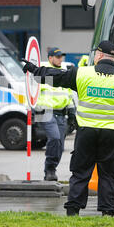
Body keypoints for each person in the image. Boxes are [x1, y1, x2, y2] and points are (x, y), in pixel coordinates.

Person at [22, 40, 114, 217]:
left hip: (86, 133)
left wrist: (35, 70)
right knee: (109, 174)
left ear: (99, 55)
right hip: (110, 135)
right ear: (113, 58)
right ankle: (107, 211)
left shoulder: (82, 74)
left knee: (80, 171)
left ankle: (73, 209)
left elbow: (55, 77)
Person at [35, 47, 76, 181]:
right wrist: (35, 109)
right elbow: (31, 93)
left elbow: (68, 94)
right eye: (57, 57)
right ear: (50, 57)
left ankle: (52, 169)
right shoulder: (43, 71)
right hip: (45, 111)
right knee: (55, 137)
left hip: (60, 113)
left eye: (61, 57)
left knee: (60, 144)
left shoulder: (63, 71)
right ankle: (50, 170)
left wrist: (71, 113)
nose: (60, 59)